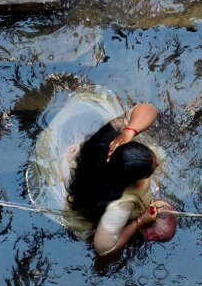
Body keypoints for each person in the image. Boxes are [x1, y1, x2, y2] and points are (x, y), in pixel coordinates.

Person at [26, 85, 173, 256]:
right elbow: (103, 248)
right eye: (152, 167)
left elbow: (149, 109)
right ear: (131, 180)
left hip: (89, 171)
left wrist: (129, 131)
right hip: (95, 197)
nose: (158, 165)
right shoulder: (122, 204)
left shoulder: (108, 144)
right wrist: (140, 221)